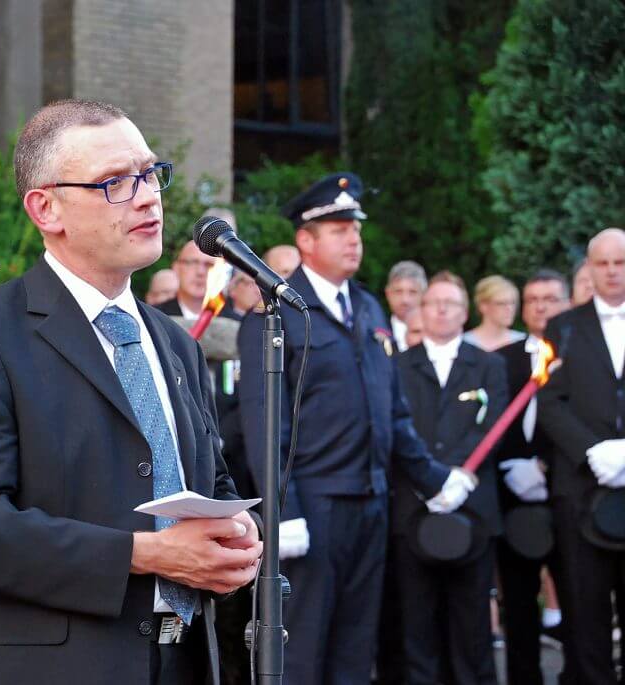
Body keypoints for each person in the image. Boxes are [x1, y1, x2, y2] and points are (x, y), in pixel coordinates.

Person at [0, 99, 262, 685]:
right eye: (114, 183)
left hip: (183, 661)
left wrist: (237, 533)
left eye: (150, 174)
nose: (147, 197)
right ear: (45, 208)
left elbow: (210, 483)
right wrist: (145, 554)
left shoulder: (173, 342)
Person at [236, 172, 472, 685]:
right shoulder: (276, 312)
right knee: (301, 650)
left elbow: (392, 413)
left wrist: (433, 477)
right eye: (340, 230)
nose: (354, 240)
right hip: (314, 505)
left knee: (355, 648)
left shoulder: (366, 306)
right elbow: (264, 425)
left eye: (356, 229)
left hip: (371, 500)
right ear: (306, 240)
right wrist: (284, 512)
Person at [393, 271, 508, 685]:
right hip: (412, 508)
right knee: (416, 625)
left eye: (451, 304)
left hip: (472, 508)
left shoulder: (490, 366)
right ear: (421, 311)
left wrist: (456, 478)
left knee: (472, 626)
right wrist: (432, 479)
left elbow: (493, 427)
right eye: (434, 303)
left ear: (465, 313)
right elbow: (394, 429)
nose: (442, 310)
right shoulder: (396, 366)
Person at [538, 227, 625, 683]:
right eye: (602, 263)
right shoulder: (563, 327)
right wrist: (591, 451)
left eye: (620, 262)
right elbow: (549, 402)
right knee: (585, 612)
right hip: (581, 491)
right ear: (589, 268)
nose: (611, 271)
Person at [493, 269, 571, 685]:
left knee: (578, 603)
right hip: (513, 500)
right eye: (533, 300)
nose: (541, 307)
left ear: (567, 304)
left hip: (569, 498)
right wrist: (509, 468)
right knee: (519, 605)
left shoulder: (584, 357)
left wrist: (545, 466)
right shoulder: (500, 360)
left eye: (551, 299)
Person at [159, 240, 220, 319]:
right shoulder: (155, 317)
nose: (200, 272)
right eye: (193, 263)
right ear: (176, 268)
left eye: (209, 265)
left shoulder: (232, 321)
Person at [464, 275, 527, 351]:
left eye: (512, 303)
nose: (509, 309)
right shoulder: (464, 343)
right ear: (483, 306)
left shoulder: (524, 342)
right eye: (501, 303)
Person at [385, 260, 428, 352]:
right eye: (398, 292)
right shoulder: (375, 331)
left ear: (424, 295)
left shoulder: (436, 332)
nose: (405, 300)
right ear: (388, 294)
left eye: (412, 292)